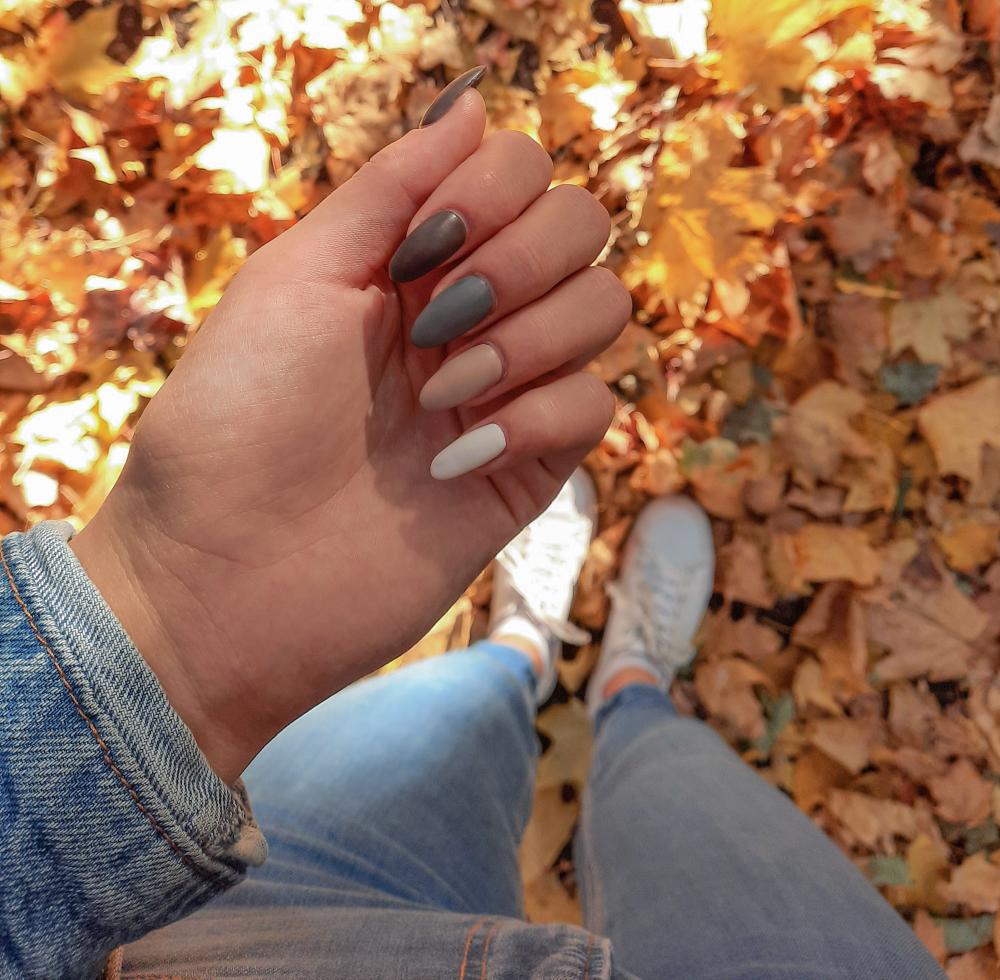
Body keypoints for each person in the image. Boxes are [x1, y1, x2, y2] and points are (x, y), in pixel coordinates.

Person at [0, 70, 944, 979]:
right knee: (669, 764)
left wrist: (165, 619)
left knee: (463, 706)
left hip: (261, 940)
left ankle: (524, 653)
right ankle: (631, 684)